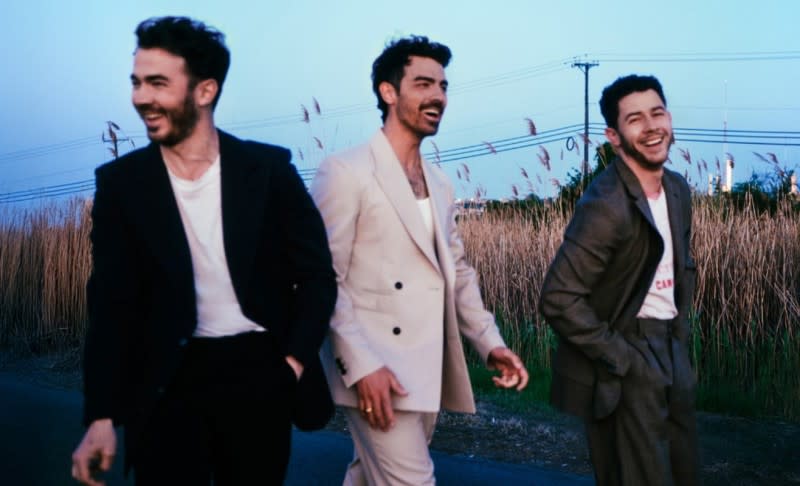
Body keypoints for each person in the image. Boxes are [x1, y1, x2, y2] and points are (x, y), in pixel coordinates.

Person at [70, 16, 336, 485]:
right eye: (136, 83)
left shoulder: (267, 170)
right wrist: (101, 417)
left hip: (258, 371)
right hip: (166, 379)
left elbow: (317, 275)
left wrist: (291, 364)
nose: (140, 98)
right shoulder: (121, 184)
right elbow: (112, 306)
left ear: (205, 91)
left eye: (157, 83)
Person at [310, 35, 529, 486]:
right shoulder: (346, 171)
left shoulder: (440, 183)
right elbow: (321, 277)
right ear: (388, 92)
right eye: (423, 84)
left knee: (369, 477)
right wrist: (360, 365)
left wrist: (490, 343)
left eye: (443, 86)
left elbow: (458, 273)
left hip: (425, 367)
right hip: (376, 370)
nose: (437, 97)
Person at [539, 74, 699, 486]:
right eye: (635, 120)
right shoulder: (605, 205)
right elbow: (558, 298)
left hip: (672, 347)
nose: (651, 128)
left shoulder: (677, 190)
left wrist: (679, 341)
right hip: (629, 351)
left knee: (683, 472)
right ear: (614, 135)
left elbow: (683, 267)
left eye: (657, 113)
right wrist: (623, 358)